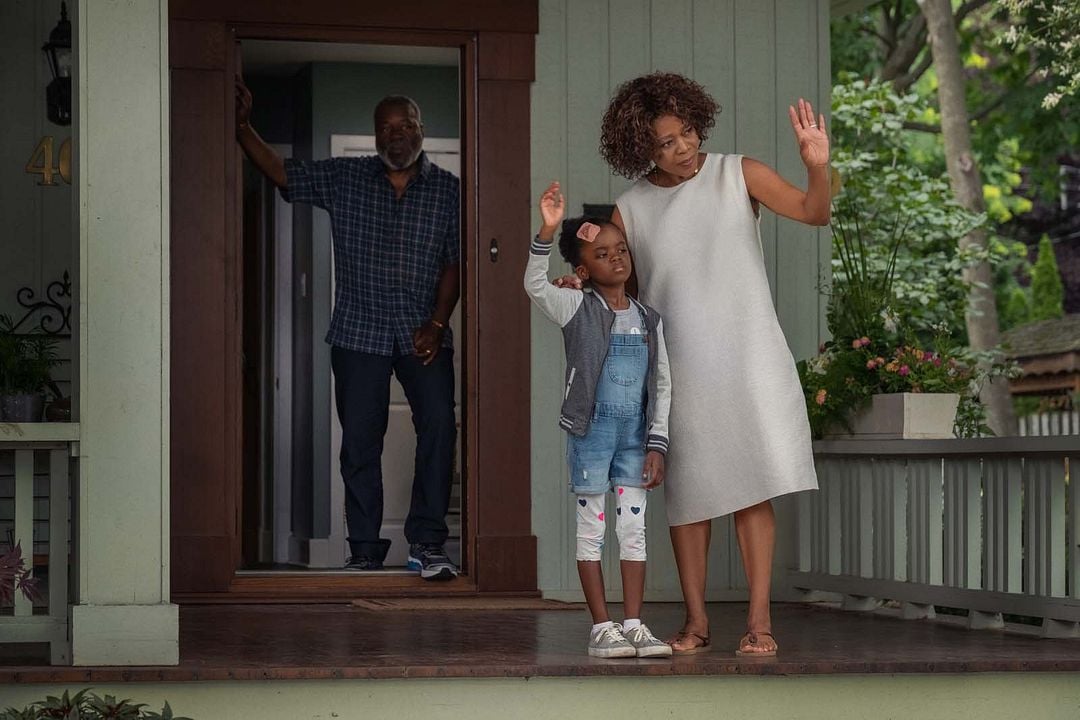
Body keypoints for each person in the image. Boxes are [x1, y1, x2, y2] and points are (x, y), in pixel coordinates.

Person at [561, 72, 828, 655]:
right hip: (677, 364)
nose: (683, 149)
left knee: (753, 487)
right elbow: (604, 273)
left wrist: (816, 165)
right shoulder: (630, 209)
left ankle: (760, 622)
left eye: (688, 134)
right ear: (641, 146)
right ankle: (697, 622)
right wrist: (570, 281)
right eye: (666, 142)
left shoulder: (741, 173)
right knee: (690, 495)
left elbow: (814, 212)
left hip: (748, 351)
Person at [235, 79, 460, 580]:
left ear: (420, 130)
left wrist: (438, 321)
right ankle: (363, 549)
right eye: (385, 128)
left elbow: (454, 263)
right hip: (359, 333)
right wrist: (242, 126)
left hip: (425, 333)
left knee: (440, 430)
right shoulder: (347, 178)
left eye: (404, 126)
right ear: (375, 136)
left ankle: (427, 543)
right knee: (360, 442)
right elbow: (282, 173)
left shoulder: (450, 191)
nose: (395, 136)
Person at [525, 181, 673, 658]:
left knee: (633, 529)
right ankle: (601, 627)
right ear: (582, 269)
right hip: (591, 435)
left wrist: (658, 442)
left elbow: (662, 384)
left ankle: (633, 622)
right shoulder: (575, 307)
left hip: (634, 438)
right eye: (602, 253)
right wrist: (545, 232)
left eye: (621, 249)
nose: (617, 258)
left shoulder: (649, 319)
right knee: (592, 527)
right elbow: (533, 285)